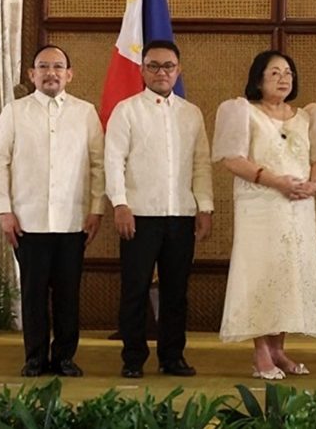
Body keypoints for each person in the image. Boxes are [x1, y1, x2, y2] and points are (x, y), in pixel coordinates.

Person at [214, 50, 316, 380]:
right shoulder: (241, 111)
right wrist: (276, 181)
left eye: (288, 72)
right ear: (258, 79)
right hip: (261, 207)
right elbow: (232, 160)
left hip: (298, 209)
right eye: (275, 72)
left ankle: (278, 349)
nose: (283, 78)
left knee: (288, 275)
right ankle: (261, 352)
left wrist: (314, 185)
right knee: (260, 275)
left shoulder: (307, 115)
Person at [0, 45, 104, 377]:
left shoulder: (85, 112)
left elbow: (98, 165)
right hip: (28, 221)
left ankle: (65, 357)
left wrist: (96, 209)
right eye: (44, 67)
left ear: (69, 74)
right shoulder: (14, 112)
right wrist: (4, 211)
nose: (51, 72)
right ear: (32, 74)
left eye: (58, 66)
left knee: (68, 293)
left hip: (74, 221)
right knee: (34, 293)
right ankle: (35, 357)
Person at [105, 39, 213, 379]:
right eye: (153, 65)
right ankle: (133, 358)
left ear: (178, 70)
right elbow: (113, 161)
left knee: (175, 292)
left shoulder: (191, 112)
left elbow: (201, 165)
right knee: (135, 288)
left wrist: (205, 207)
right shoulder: (127, 109)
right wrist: (120, 204)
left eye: (168, 66)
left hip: (180, 215)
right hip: (138, 216)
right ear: (142, 70)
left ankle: (172, 357)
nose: (161, 72)